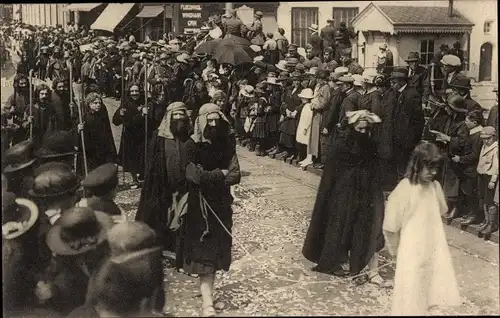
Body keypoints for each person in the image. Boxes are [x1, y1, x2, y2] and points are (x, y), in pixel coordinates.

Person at [303, 110, 388, 287]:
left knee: (360, 226)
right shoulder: (342, 144)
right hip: (342, 191)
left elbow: (374, 166)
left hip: (362, 191)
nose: (363, 133)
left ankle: (357, 263)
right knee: (339, 224)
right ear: (352, 127)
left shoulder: (369, 144)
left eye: (366, 130)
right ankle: (333, 261)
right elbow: (335, 170)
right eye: (360, 129)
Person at [383, 141, 461, 315]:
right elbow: (390, 224)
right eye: (429, 167)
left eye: (436, 169)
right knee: (410, 295)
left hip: (433, 249)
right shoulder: (406, 188)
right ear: (417, 164)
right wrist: (395, 250)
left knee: (432, 293)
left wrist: (438, 191)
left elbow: (442, 209)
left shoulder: (434, 187)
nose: (433, 173)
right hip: (411, 251)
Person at [180, 103, 241, 317]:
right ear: (201, 121)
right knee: (204, 256)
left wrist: (212, 175)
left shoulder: (227, 144)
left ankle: (209, 295)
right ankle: (207, 303)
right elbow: (193, 177)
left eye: (216, 120)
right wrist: (220, 174)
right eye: (209, 120)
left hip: (222, 205)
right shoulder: (192, 145)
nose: (213, 124)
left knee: (217, 254)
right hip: (200, 207)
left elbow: (235, 174)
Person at [136, 102, 192, 257]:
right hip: (162, 186)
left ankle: (179, 248)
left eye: (182, 114)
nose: (179, 118)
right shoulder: (159, 137)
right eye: (175, 115)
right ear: (169, 117)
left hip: (185, 187)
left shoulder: (189, 137)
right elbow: (152, 164)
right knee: (161, 217)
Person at [112, 83, 150, 189]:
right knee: (132, 158)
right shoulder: (125, 104)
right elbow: (116, 121)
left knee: (143, 157)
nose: (134, 94)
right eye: (132, 91)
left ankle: (144, 176)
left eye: (136, 91)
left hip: (143, 134)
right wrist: (120, 114)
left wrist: (146, 113)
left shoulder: (145, 102)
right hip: (130, 135)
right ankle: (134, 179)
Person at [78, 92, 117, 171]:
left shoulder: (101, 116)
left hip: (101, 149)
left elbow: (106, 133)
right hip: (91, 151)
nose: (98, 105)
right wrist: (79, 129)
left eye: (99, 103)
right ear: (89, 104)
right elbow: (82, 137)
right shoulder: (85, 117)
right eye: (95, 103)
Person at [476, 126, 498, 235]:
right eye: (484, 138)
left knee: (490, 201)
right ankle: (486, 220)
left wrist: (493, 180)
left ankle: (492, 224)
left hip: (490, 177)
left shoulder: (496, 148)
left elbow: (496, 166)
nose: (485, 140)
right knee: (484, 199)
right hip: (482, 175)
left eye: (488, 138)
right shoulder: (484, 146)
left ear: (494, 137)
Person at [295, 88, 315, 167]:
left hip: (306, 127)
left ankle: (309, 158)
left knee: (308, 142)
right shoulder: (306, 105)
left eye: (304, 97)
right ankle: (307, 157)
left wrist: (306, 128)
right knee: (305, 142)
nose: (302, 99)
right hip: (303, 125)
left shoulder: (309, 106)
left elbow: (309, 118)